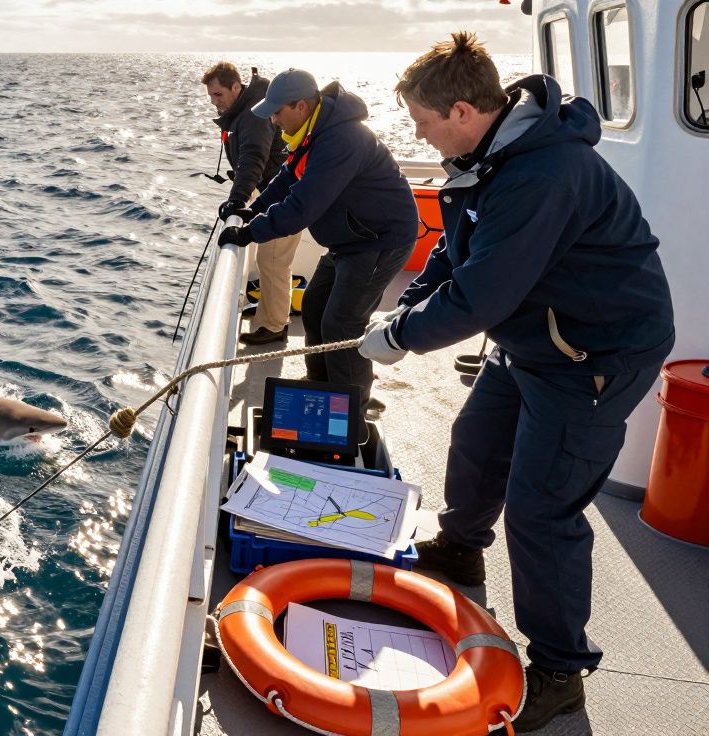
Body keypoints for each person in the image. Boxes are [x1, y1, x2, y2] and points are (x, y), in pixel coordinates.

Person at [361, 32, 675, 732]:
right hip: (535, 337)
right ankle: (461, 545)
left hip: (591, 354)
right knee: (476, 442)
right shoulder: (489, 156)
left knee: (542, 508)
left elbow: (481, 298)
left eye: (421, 122)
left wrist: (400, 337)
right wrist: (412, 304)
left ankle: (562, 671)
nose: (417, 133)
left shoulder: (542, 175)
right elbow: (457, 245)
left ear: (465, 110)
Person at [218, 68, 417, 409]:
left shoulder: (340, 139)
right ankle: (322, 382)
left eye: (278, 112)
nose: (275, 121)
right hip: (351, 239)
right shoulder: (313, 132)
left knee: (342, 321)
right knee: (313, 306)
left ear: (301, 106)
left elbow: (302, 206)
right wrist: (253, 209)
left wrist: (249, 233)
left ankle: (352, 406)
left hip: (380, 240)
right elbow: (286, 179)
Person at [202, 62, 301, 345]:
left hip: (283, 195)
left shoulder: (253, 115)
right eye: (210, 95)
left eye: (218, 94)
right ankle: (274, 312)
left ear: (236, 86)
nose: (214, 101)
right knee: (272, 260)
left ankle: (272, 326)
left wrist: (236, 199)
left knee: (271, 261)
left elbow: (253, 159)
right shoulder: (244, 110)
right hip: (273, 192)